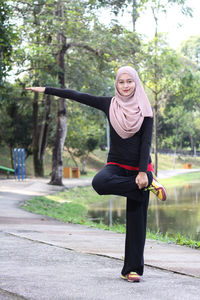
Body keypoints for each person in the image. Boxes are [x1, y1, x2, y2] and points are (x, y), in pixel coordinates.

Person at [26, 65, 167, 283]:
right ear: (116, 84)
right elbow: (77, 95)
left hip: (139, 169)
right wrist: (46, 90)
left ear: (136, 83)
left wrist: (142, 172)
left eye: (129, 81)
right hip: (117, 165)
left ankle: (132, 270)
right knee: (99, 182)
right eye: (121, 81)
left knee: (136, 222)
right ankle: (149, 184)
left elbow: (146, 143)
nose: (125, 85)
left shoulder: (145, 109)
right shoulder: (109, 104)